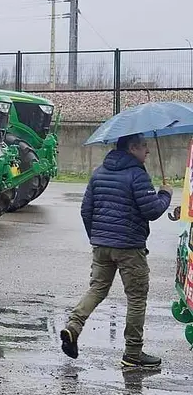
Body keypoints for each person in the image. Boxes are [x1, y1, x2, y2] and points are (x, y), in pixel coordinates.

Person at [61, 133, 172, 368]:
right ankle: (133, 353)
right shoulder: (137, 174)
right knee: (136, 297)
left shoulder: (99, 172)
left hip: (102, 245)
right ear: (132, 148)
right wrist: (165, 195)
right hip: (130, 248)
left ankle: (74, 325)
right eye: (144, 147)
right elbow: (151, 211)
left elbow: (85, 210)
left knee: (98, 288)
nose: (148, 151)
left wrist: (98, 237)